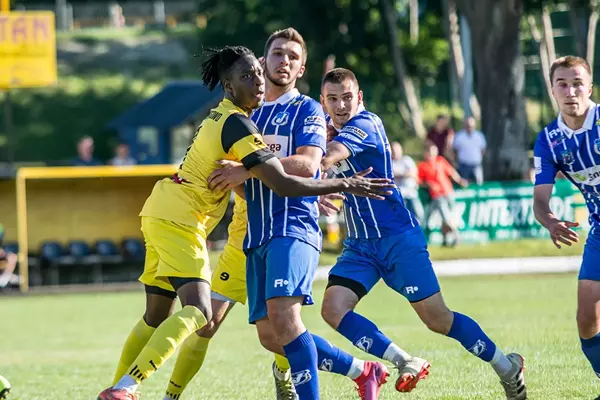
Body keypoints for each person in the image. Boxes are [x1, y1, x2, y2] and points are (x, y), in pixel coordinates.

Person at [98, 45, 393, 400]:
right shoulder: (238, 124)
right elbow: (283, 183)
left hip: (162, 209)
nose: (257, 81)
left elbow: (265, 181)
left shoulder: (223, 116)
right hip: (183, 219)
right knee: (200, 313)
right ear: (228, 86)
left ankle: (119, 389)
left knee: (156, 316)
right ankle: (127, 387)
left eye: (257, 73)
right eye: (247, 76)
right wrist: (345, 184)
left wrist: (297, 189)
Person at [205, 29, 391, 400]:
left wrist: (245, 169)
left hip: (292, 228)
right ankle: (363, 370)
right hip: (256, 234)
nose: (284, 61)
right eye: (278, 53)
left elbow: (308, 165)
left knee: (285, 319)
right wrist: (234, 177)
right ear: (263, 61)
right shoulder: (247, 114)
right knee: (269, 334)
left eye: (293, 56)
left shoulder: (307, 109)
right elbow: (244, 185)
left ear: (302, 68)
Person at [319, 67, 527, 399]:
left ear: (359, 98)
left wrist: (304, 169)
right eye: (333, 99)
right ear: (323, 101)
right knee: (333, 309)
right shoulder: (329, 131)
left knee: (438, 320)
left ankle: (506, 366)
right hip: (359, 246)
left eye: (347, 97)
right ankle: (404, 361)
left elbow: (329, 157)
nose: (341, 105)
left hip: (398, 239)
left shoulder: (365, 124)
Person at [532, 55, 600, 381]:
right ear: (552, 90)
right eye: (562, 84)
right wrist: (551, 222)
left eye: (577, 83)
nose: (570, 91)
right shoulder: (548, 140)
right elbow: (539, 201)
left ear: (590, 87)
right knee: (587, 320)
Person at [417, 143, 468, 247]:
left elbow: (451, 172)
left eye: (433, 152)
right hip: (437, 195)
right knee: (445, 217)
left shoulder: (440, 161)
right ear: (426, 153)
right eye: (429, 152)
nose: (431, 154)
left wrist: (459, 180)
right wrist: (428, 184)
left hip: (448, 192)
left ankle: (445, 240)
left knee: (447, 217)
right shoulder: (423, 166)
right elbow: (418, 181)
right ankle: (456, 236)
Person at [391, 141, 424, 223]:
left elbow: (413, 173)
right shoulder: (390, 163)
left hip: (412, 192)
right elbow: (393, 176)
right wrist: (405, 174)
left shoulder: (407, 159)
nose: (395, 152)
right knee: (404, 216)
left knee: (419, 215)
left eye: (397, 149)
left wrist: (401, 175)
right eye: (393, 150)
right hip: (400, 194)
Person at [453, 116, 486, 185]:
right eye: (468, 125)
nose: (469, 127)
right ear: (464, 125)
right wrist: (456, 161)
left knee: (479, 184)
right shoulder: (459, 136)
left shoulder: (479, 136)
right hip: (463, 165)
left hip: (476, 165)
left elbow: (483, 150)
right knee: (464, 184)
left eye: (471, 126)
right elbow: (455, 150)